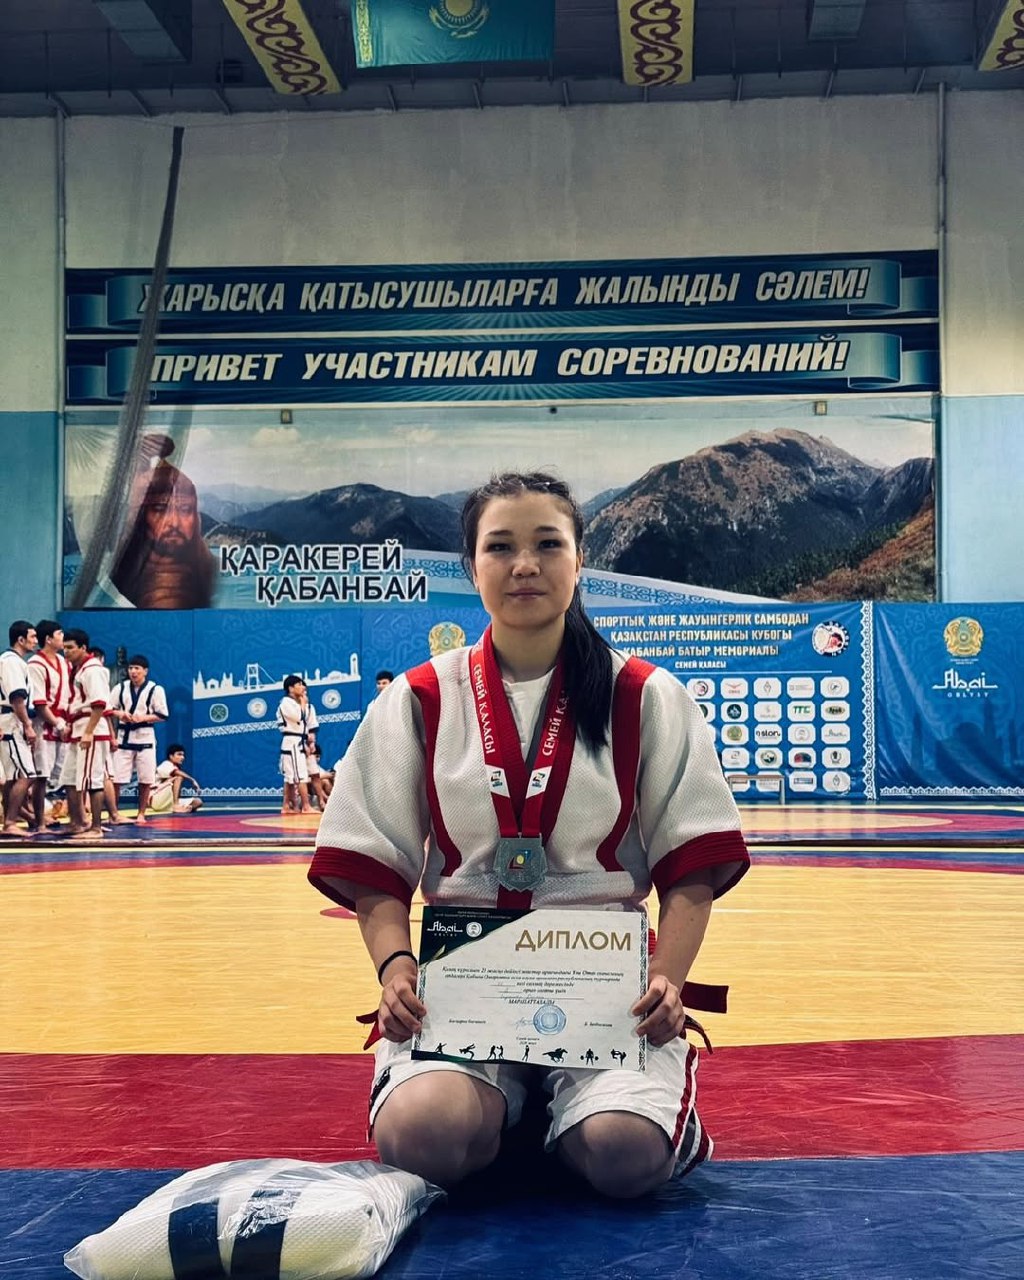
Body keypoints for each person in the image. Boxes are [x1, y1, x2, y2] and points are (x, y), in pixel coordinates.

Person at [309, 471, 750, 1198]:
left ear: (580, 561)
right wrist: (395, 970)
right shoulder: (420, 698)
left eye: (548, 544)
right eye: (500, 547)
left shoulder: (645, 695)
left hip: (606, 985)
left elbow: (692, 864)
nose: (524, 565)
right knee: (421, 1139)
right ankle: (512, 1110)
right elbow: (374, 863)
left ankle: (590, 1116)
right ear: (470, 567)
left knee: (626, 1157)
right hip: (463, 981)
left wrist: (667, 981)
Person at [109, 434, 216, 610]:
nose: (174, 522)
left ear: (196, 517)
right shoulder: (122, 564)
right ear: (142, 516)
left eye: (184, 509)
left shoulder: (207, 567)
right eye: (160, 509)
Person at [60, 629, 113, 840]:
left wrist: (89, 732)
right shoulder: (78, 669)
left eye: (70, 647)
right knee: (70, 778)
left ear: (83, 648)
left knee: (92, 779)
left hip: (91, 728)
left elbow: (99, 704)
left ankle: (96, 827)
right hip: (78, 726)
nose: (66, 651)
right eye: (64, 647)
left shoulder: (93, 669)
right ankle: (77, 822)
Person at [109, 654, 169, 824]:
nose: (133, 672)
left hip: (145, 737)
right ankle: (114, 813)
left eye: (137, 668)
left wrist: (142, 718)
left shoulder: (155, 689)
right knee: (116, 779)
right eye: (130, 668)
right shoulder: (120, 688)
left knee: (146, 779)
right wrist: (121, 714)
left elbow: (163, 715)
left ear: (145, 671)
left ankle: (141, 813)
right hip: (123, 738)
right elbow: (109, 709)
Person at [26, 620, 72, 832]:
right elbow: (39, 702)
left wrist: (67, 724)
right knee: (41, 775)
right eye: (60, 634)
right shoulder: (35, 664)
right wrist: (58, 724)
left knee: (64, 774)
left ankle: (74, 817)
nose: (63, 638)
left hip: (64, 722)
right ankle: (39, 821)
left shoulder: (64, 662)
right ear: (49, 639)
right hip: (43, 725)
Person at [1, 621, 39, 837]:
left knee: (13, 776)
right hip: (12, 721)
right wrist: (27, 725)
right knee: (27, 774)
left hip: (9, 720)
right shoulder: (12, 662)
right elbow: (17, 697)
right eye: (32, 637)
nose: (35, 641)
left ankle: (11, 820)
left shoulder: (10, 661)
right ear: (21, 639)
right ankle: (10, 822)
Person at [277, 676, 318, 814]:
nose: (302, 687)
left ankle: (286, 806)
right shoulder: (286, 703)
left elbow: (307, 724)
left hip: (298, 740)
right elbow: (298, 717)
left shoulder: (296, 703)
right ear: (290, 688)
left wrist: (310, 741)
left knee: (290, 776)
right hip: (292, 742)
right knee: (300, 775)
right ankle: (306, 806)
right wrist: (303, 703)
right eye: (299, 685)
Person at [150, 744, 202, 814]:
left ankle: (182, 808)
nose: (182, 757)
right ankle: (176, 805)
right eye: (179, 754)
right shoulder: (166, 764)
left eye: (183, 755)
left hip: (168, 801)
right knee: (178, 777)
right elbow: (176, 772)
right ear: (171, 756)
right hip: (156, 800)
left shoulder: (175, 766)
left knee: (198, 802)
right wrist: (192, 780)